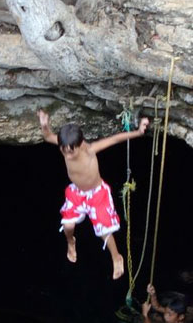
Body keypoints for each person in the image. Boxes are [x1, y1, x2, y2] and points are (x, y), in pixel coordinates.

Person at [37, 109, 150, 280]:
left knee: (104, 230)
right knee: (67, 225)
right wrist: (44, 125)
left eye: (71, 151)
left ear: (80, 144)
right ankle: (71, 242)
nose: (67, 154)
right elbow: (47, 136)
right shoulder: (65, 146)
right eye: (64, 150)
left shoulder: (89, 150)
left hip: (97, 194)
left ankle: (116, 257)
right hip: (76, 193)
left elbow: (114, 139)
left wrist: (139, 132)